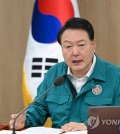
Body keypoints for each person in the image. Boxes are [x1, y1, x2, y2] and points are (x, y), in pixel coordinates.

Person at [9, 17, 120, 133]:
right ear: (61, 49)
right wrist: (26, 120)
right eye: (68, 46)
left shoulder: (116, 76)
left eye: (81, 45)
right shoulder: (54, 74)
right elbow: (39, 109)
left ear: (93, 45)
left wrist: (88, 126)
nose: (75, 52)